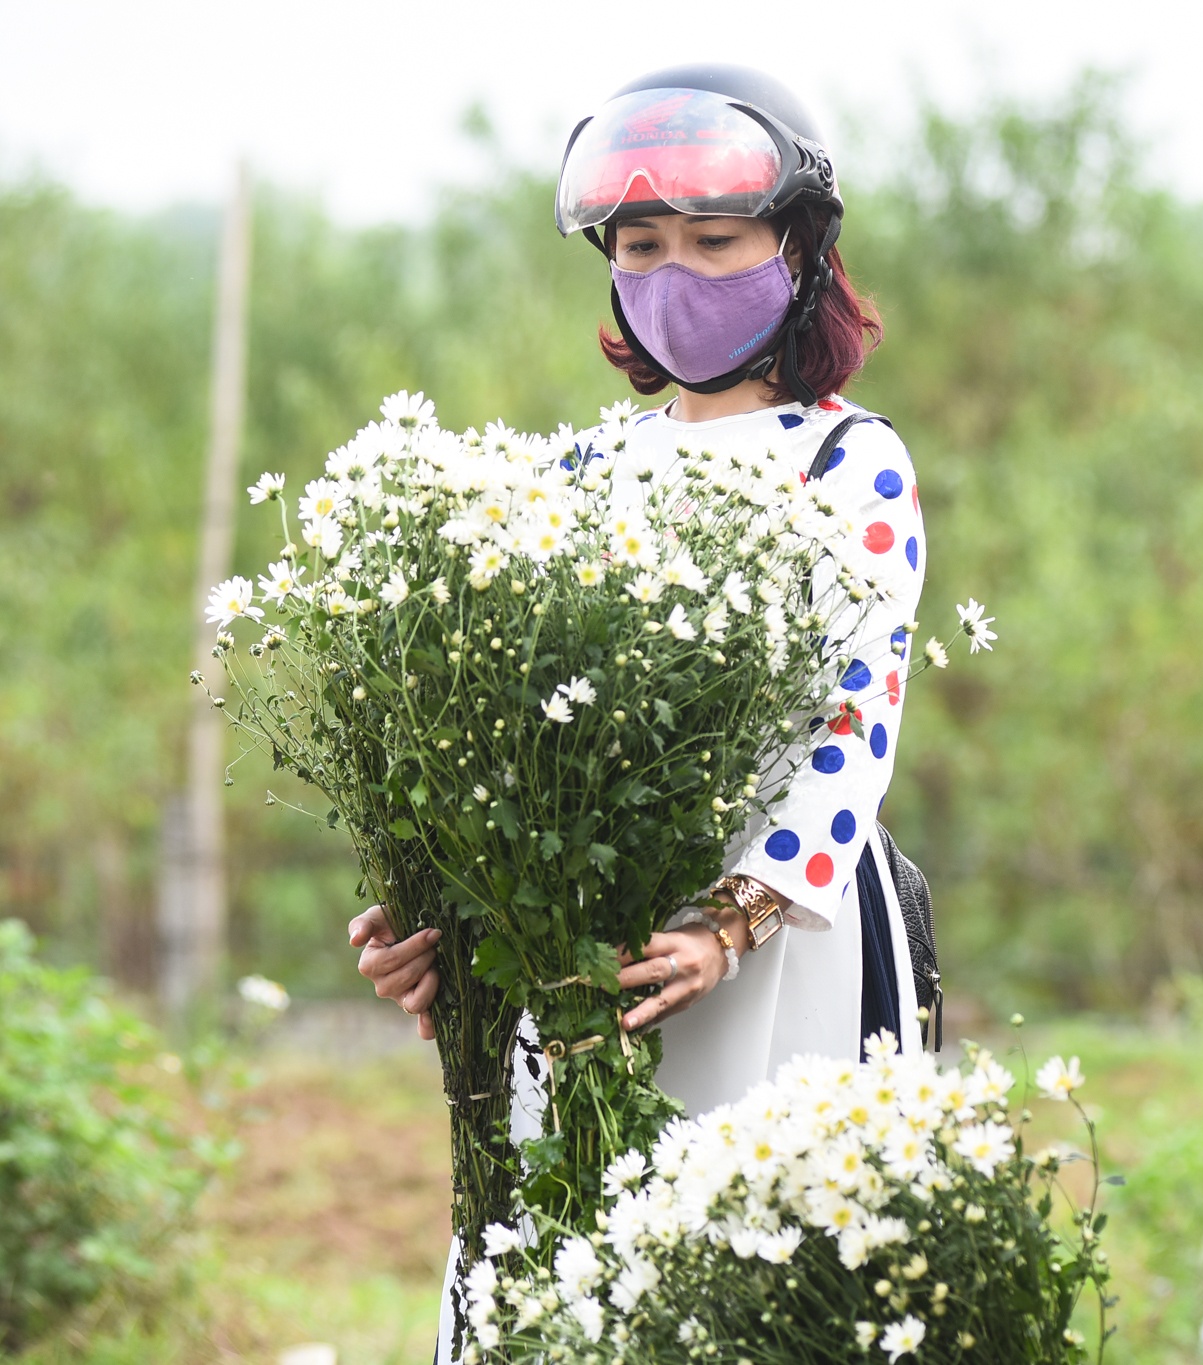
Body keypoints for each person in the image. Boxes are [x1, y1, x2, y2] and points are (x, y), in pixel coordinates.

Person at [340, 64, 926, 1359]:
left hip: (775, 942)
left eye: (716, 242)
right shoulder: (574, 471)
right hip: (580, 950)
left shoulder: (848, 459)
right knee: (559, 1252)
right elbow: (511, 741)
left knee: (755, 1256)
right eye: (644, 245)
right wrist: (427, 907)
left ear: (800, 251)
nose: (677, 273)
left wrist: (731, 922)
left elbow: (852, 730)